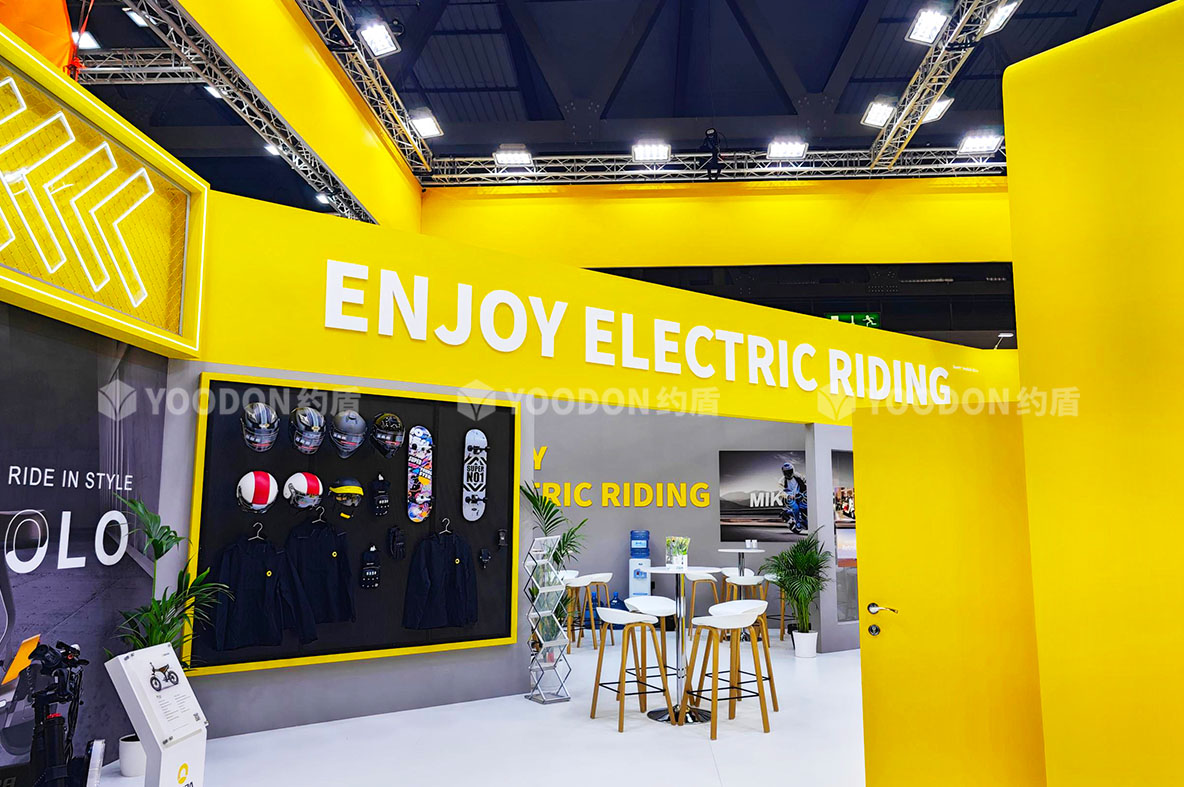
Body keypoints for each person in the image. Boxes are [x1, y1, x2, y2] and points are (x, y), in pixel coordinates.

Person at [778, 462, 808, 534]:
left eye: (790, 471)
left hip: (800, 495)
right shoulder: (781, 481)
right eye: (786, 472)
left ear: (793, 470)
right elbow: (781, 492)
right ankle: (797, 524)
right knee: (796, 508)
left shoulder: (798, 475)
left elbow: (806, 481)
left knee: (805, 506)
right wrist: (788, 496)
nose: (788, 473)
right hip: (789, 497)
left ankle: (804, 519)